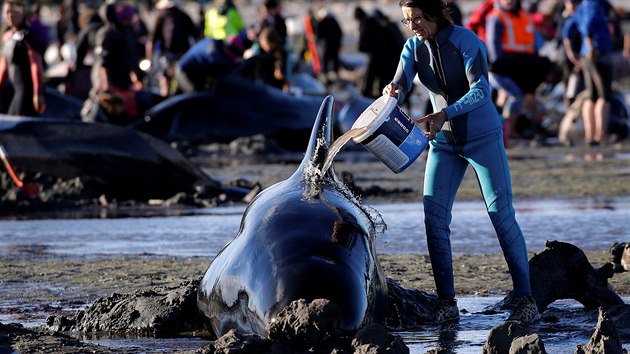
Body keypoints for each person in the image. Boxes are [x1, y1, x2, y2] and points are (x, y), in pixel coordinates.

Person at [382, 0, 539, 324]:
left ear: (435, 15)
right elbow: (402, 80)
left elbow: (482, 91)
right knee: (434, 219)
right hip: (443, 144)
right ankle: (447, 303)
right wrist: (393, 90)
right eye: (407, 20)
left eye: (418, 19)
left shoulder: (467, 42)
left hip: (483, 139)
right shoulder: (413, 47)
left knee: (501, 215)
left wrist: (446, 113)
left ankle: (526, 299)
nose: (412, 27)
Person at [573, 0, 613, 146]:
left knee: (592, 95)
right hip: (598, 53)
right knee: (603, 96)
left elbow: (570, 27)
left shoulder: (582, 5)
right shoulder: (594, 4)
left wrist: (574, 54)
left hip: (586, 54)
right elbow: (587, 26)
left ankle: (590, 135)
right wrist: (590, 47)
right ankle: (600, 134)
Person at [0, 0, 46, 117]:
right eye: (7, 12)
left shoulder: (27, 36)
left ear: (22, 13)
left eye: (14, 12)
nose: (10, 15)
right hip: (17, 92)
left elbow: (36, 66)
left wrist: (38, 94)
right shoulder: (8, 36)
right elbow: (4, 68)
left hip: (27, 93)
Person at [145, 0, 199, 96]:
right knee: (165, 80)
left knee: (180, 81)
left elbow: (195, 34)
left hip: (181, 54)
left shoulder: (183, 16)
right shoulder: (161, 17)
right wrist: (149, 59)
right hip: (167, 54)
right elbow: (152, 40)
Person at [174, 34, 246, 93]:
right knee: (197, 97)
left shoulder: (219, 44)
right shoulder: (212, 50)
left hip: (197, 71)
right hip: (184, 71)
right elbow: (223, 65)